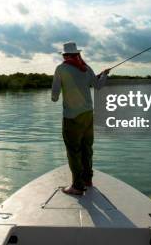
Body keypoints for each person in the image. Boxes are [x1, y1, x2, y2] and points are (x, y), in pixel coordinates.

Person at [51, 41, 110, 195]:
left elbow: (54, 97)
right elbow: (98, 86)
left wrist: (61, 90)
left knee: (73, 150)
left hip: (72, 117)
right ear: (77, 54)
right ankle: (88, 179)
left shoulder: (61, 69)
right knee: (87, 147)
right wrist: (104, 75)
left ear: (65, 55)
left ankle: (77, 186)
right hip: (88, 114)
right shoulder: (86, 68)